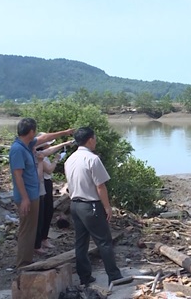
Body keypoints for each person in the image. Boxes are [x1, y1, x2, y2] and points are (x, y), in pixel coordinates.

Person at [9, 118, 74, 268]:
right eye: (35, 131)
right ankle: (23, 264)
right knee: (27, 230)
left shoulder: (27, 144)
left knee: (32, 229)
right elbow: (17, 175)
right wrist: (25, 198)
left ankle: (27, 260)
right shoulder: (18, 149)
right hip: (27, 197)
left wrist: (65, 133)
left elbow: (45, 138)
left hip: (33, 194)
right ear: (31, 132)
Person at [65, 127, 122, 286]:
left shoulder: (70, 159)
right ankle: (114, 275)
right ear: (90, 139)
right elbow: (100, 186)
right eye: (94, 138)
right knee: (104, 241)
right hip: (91, 205)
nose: (95, 141)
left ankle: (84, 276)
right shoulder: (92, 159)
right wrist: (107, 207)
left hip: (75, 205)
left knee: (81, 243)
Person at [33, 138, 74, 254]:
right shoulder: (39, 156)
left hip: (47, 183)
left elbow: (52, 150)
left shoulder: (43, 155)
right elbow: (49, 170)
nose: (50, 147)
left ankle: (44, 238)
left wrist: (65, 143)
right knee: (43, 213)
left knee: (48, 212)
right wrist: (56, 159)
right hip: (43, 184)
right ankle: (38, 242)